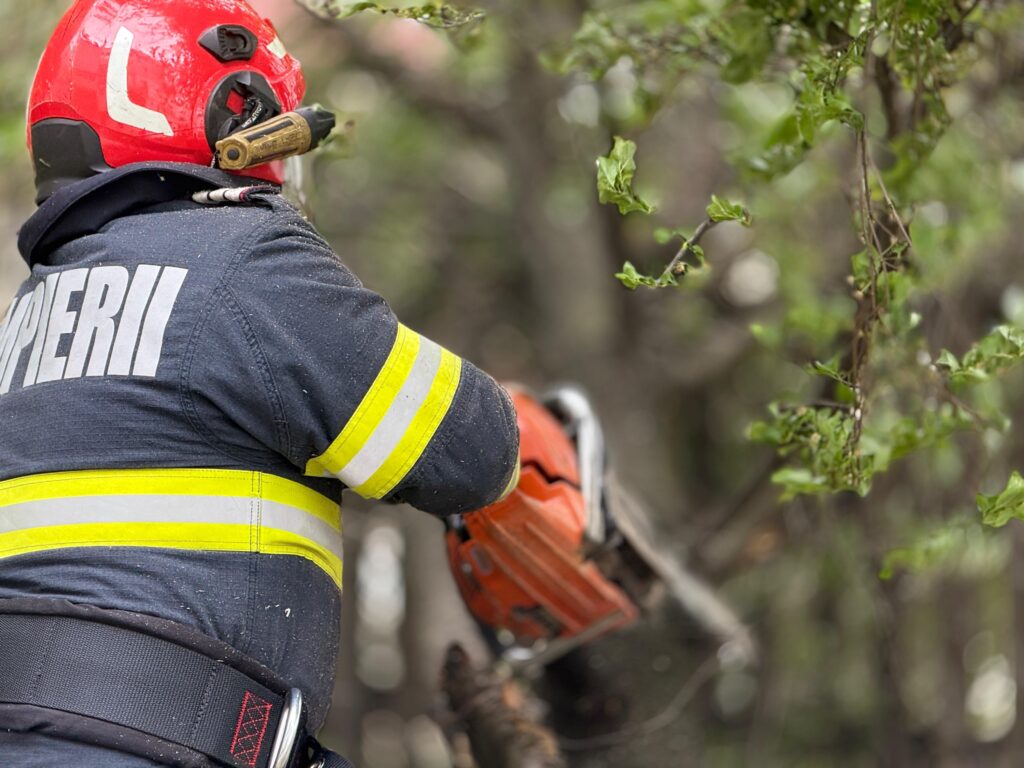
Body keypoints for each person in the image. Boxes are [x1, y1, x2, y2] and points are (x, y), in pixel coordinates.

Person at [0, 1, 520, 766]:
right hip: (168, 742)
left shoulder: (26, 318)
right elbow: (474, 451)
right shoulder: (243, 261)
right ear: (234, 117)